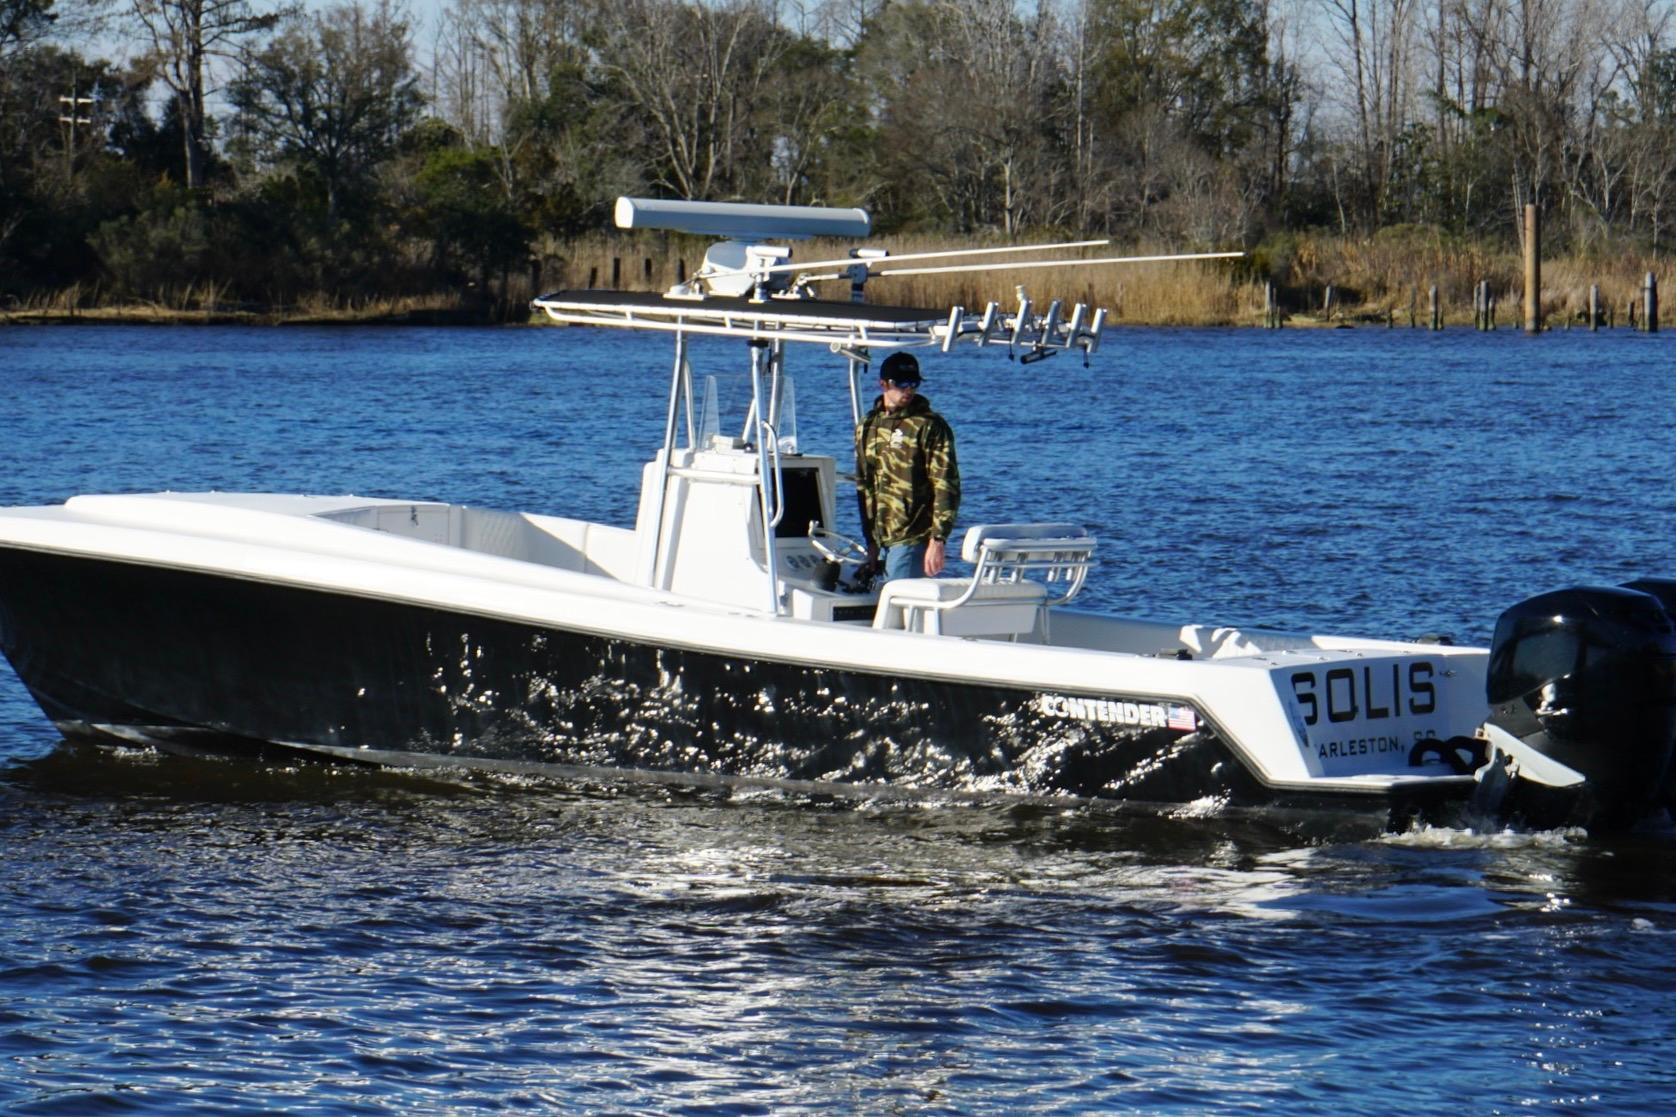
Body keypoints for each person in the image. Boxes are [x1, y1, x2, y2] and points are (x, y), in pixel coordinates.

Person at [854, 351, 960, 583]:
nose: (909, 389)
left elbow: (946, 484)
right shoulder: (867, 425)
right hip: (881, 539)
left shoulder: (930, 426)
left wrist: (938, 539)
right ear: (883, 384)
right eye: (902, 384)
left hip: (913, 537)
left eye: (914, 383)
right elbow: (864, 484)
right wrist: (870, 541)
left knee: (896, 601)